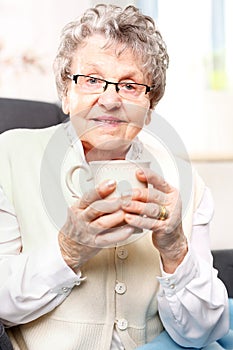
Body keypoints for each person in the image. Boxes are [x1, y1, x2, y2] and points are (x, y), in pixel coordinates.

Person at [0, 4, 229, 350]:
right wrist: (68, 250)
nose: (109, 99)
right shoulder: (10, 157)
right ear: (66, 93)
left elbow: (201, 332)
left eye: (130, 85)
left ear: (150, 108)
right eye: (91, 80)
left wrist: (174, 247)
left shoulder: (185, 182)